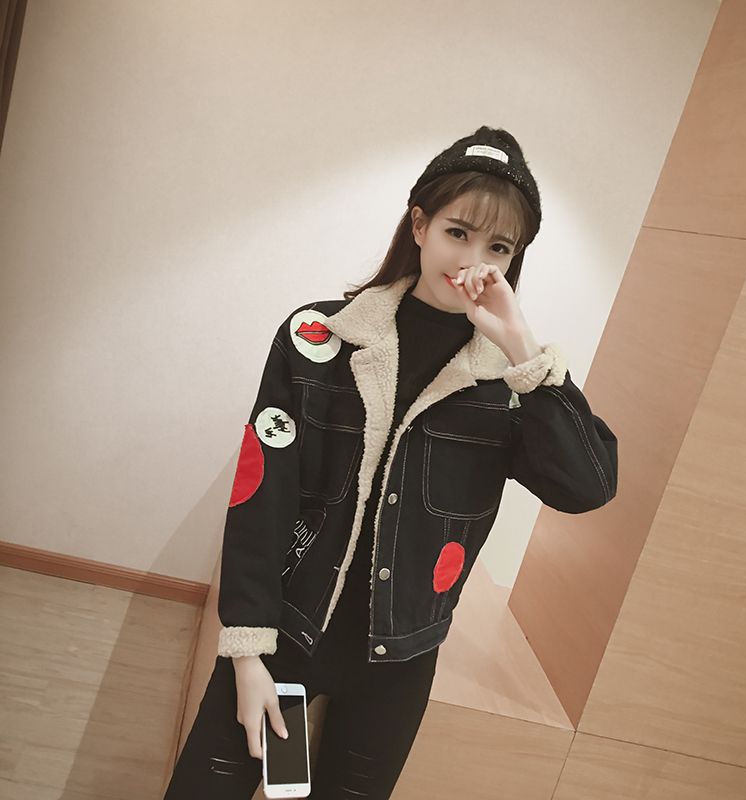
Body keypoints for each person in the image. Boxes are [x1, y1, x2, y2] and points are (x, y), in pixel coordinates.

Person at [163, 126, 618, 800]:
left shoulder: (508, 385)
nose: (474, 261)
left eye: (499, 247)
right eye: (459, 232)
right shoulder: (317, 340)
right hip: (287, 639)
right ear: (420, 224)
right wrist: (248, 650)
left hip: (396, 666)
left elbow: (587, 486)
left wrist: (523, 349)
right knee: (217, 789)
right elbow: (263, 495)